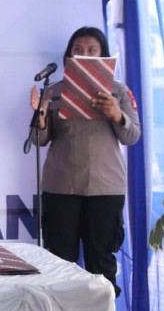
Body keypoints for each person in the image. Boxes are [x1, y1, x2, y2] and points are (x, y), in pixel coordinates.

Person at [30, 26, 141, 296]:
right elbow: (39, 140)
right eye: (78, 50)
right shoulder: (54, 92)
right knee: (58, 261)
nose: (84, 55)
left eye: (92, 50)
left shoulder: (119, 92)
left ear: (103, 55)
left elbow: (132, 136)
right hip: (61, 187)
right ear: (69, 55)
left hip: (105, 188)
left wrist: (116, 114)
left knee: (101, 263)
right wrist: (40, 114)